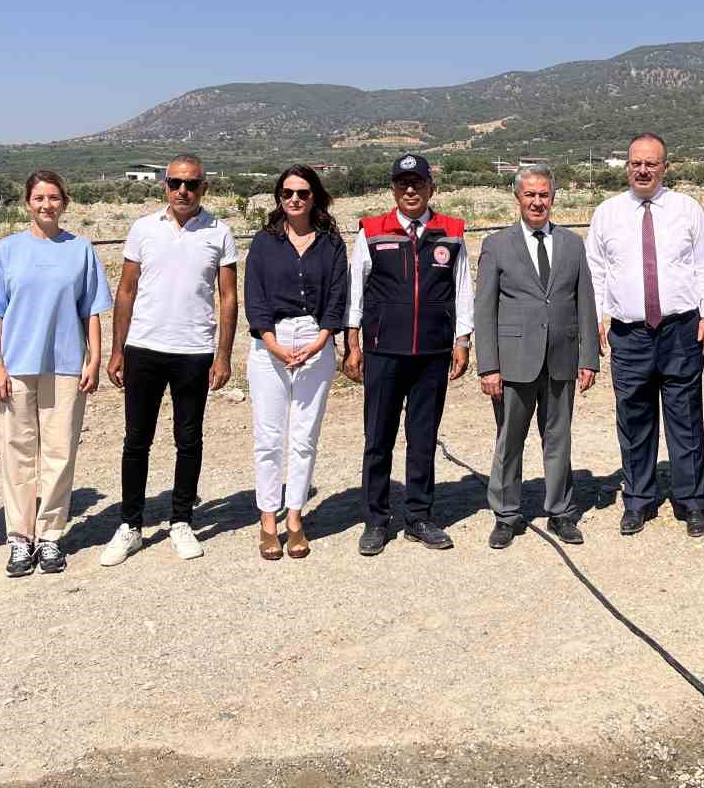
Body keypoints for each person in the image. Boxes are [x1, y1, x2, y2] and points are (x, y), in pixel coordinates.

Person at [0, 171, 113, 575]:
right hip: (15, 367)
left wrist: (95, 358)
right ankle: (20, 538)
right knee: (17, 454)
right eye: (39, 197)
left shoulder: (80, 250)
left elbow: (91, 311)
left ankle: (50, 537)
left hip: (66, 366)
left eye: (53, 197)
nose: (46, 204)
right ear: (27, 203)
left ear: (64, 202)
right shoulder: (8, 250)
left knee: (59, 453)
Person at [101, 155, 238, 565]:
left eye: (192, 184)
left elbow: (228, 297)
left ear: (204, 188)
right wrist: (116, 349)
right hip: (143, 348)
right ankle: (131, 525)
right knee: (136, 440)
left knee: (188, 439)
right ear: (164, 185)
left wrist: (224, 355)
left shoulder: (220, 232)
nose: (183, 191)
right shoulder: (143, 228)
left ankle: (181, 520)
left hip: (194, 351)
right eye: (176, 183)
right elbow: (126, 291)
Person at [585, 133, 704, 537]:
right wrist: (595, 320)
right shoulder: (607, 213)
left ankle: (692, 502)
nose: (642, 170)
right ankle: (638, 500)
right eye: (635, 163)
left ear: (665, 167)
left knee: (685, 420)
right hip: (629, 335)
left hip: (681, 331)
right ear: (627, 167)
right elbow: (595, 272)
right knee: (633, 420)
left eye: (651, 163)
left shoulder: (686, 209)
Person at [344, 153, 474, 555]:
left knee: (423, 438)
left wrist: (463, 340)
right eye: (403, 184)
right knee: (378, 438)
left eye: (418, 183)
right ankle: (376, 519)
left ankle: (419, 516)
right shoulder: (371, 231)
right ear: (394, 189)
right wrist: (352, 343)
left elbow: (463, 287)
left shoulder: (450, 232)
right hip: (384, 351)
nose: (411, 190)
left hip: (432, 352)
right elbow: (354, 290)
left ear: (432, 187)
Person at [475, 163, 599, 549]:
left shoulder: (572, 243)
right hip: (513, 362)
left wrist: (589, 358)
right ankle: (506, 514)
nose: (537, 201)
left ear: (553, 197)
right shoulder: (496, 245)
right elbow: (484, 310)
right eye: (530, 194)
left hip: (561, 357)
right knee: (509, 440)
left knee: (558, 439)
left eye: (544, 194)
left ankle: (561, 511)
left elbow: (585, 303)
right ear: (517, 198)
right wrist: (489, 366)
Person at [243, 165, 347, 561]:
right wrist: (273, 344)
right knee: (269, 438)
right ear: (278, 197)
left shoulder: (331, 244)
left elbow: (338, 298)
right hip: (271, 340)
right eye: (288, 193)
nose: (295, 199)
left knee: (304, 438)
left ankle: (295, 519)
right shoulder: (264, 242)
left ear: (315, 196)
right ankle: (268, 521)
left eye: (303, 193)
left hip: (316, 339)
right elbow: (255, 298)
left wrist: (321, 342)